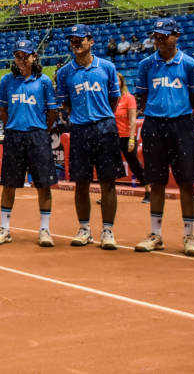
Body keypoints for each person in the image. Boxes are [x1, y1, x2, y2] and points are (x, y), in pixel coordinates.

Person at [133, 18, 194, 256]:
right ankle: (156, 234)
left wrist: (179, 111)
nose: (160, 40)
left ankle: (189, 235)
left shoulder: (190, 65)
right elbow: (142, 97)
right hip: (154, 125)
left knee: (186, 181)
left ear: (177, 35)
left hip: (182, 124)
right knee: (156, 181)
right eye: (157, 36)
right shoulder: (145, 65)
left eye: (165, 35)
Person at [54, 24, 122, 250]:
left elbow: (114, 99)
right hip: (80, 130)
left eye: (80, 39)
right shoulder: (64, 72)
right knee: (81, 182)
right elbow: (65, 103)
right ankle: (84, 229)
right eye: (72, 40)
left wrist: (101, 115)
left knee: (108, 182)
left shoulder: (107, 67)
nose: (75, 43)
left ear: (91, 41)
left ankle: (108, 230)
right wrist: (82, 117)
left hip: (105, 128)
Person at [0, 40, 57, 248]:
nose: (22, 60)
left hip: (37, 136)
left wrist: (40, 129)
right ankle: (4, 229)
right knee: (9, 184)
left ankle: (45, 230)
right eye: (18, 56)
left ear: (34, 56)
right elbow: (3, 111)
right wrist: (15, 125)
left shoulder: (44, 81)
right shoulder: (6, 81)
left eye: (25, 56)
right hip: (14, 136)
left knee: (43, 185)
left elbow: (52, 112)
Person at [115, 74, 149, 204]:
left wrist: (131, 139)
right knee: (109, 165)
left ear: (122, 82)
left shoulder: (129, 98)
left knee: (134, 165)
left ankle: (148, 191)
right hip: (113, 137)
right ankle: (108, 194)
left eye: (117, 80)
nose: (115, 82)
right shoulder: (110, 98)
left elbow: (133, 120)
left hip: (126, 136)